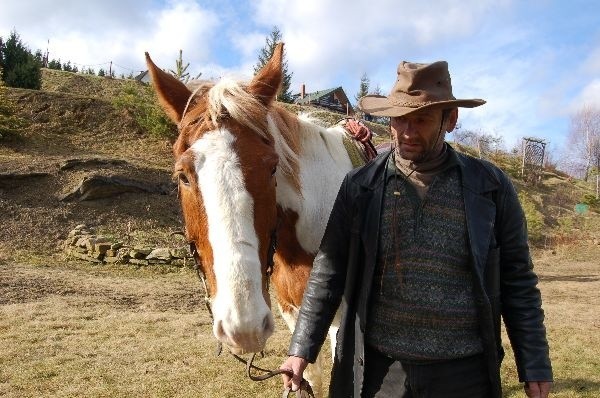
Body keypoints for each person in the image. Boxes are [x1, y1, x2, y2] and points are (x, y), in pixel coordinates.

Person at [280, 60, 553, 398]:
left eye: (421, 120)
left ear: (450, 120)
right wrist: (301, 349)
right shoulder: (360, 187)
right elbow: (328, 270)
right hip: (380, 374)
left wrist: (535, 363)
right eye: (399, 119)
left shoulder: (491, 188)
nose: (407, 132)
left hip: (465, 375)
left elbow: (518, 279)